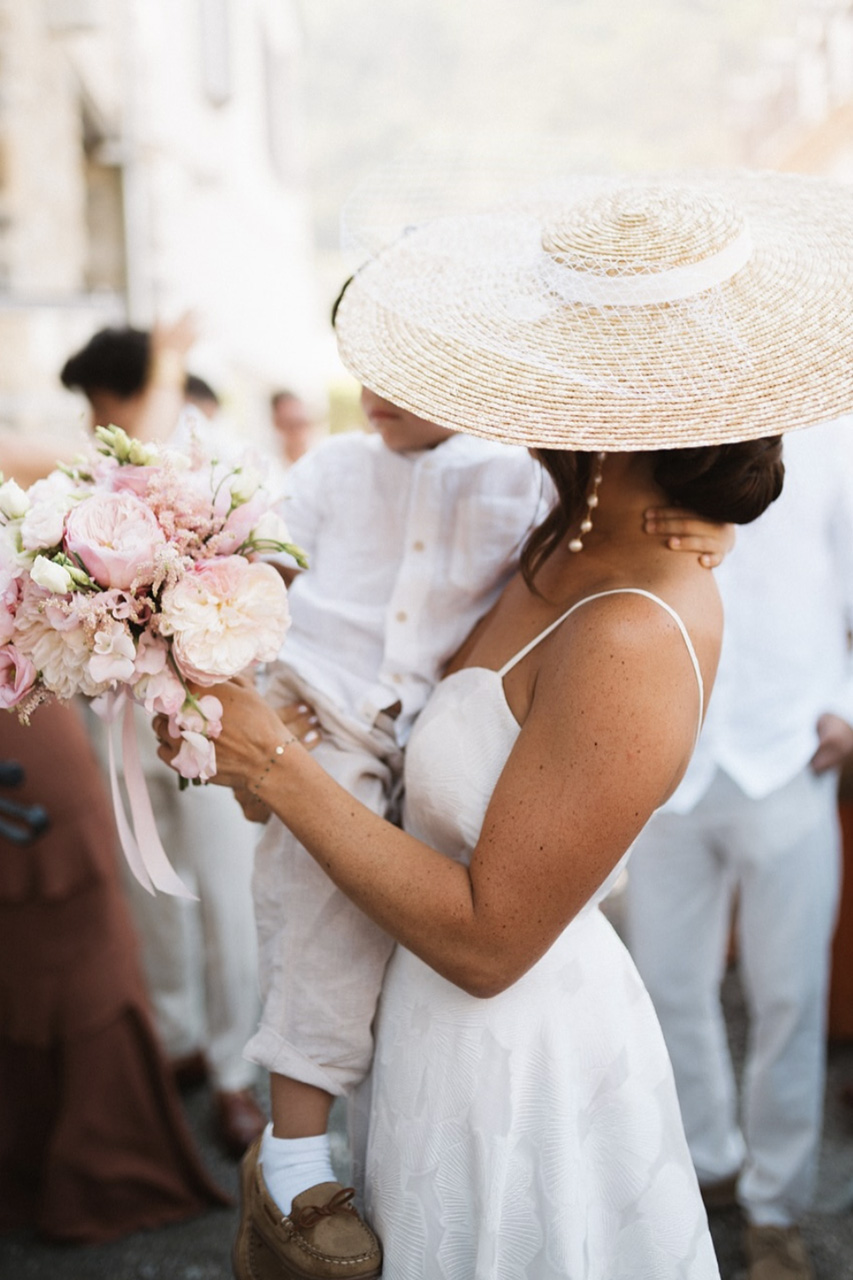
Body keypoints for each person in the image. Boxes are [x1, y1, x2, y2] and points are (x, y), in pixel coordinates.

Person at [155, 173, 853, 1279]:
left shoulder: (627, 629)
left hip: (516, 1064)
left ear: (609, 411)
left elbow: (490, 939)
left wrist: (280, 768)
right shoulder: (547, 531)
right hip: (419, 1030)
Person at [625, 415, 853, 1280]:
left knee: (789, 994)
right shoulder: (659, 425)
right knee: (666, 984)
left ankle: (775, 1208)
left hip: (790, 746)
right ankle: (708, 1161)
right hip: (666, 748)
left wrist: (845, 705)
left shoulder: (834, 432)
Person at [60, 322, 267, 1157]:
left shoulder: (210, 460)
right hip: (115, 719)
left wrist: (167, 362)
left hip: (207, 719)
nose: (94, 419)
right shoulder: (84, 478)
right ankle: (177, 1038)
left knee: (228, 896)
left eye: (102, 401)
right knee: (150, 888)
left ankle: (232, 1072)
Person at [270, 389, 315, 468]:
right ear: (277, 423)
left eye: (300, 422)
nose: (297, 431)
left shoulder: (320, 460)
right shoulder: (273, 465)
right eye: (290, 424)